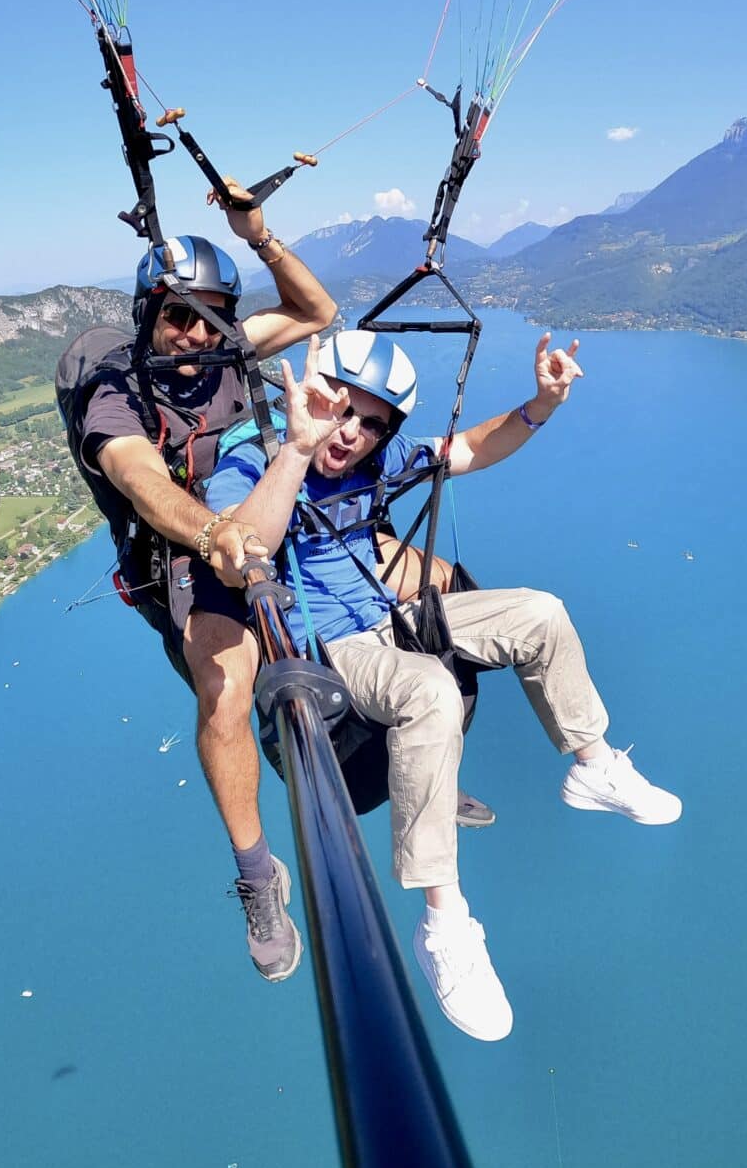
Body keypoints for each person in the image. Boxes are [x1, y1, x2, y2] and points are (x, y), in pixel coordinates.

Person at [202, 329, 682, 1040]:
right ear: (309, 399)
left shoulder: (377, 458)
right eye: (340, 411)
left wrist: (542, 404)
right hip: (332, 647)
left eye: (371, 423)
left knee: (539, 613)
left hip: (387, 619)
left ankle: (594, 765)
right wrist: (298, 447)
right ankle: (445, 926)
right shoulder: (255, 459)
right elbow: (241, 548)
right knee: (428, 689)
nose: (353, 433)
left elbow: (472, 447)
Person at [73, 190, 332, 984]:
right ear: (147, 315)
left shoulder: (223, 352)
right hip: (184, 554)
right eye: (176, 317)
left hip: (257, 520)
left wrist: (260, 237)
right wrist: (216, 536)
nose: (191, 335)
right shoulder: (118, 387)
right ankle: (259, 875)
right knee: (223, 685)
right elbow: (138, 477)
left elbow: (315, 310)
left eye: (208, 316)